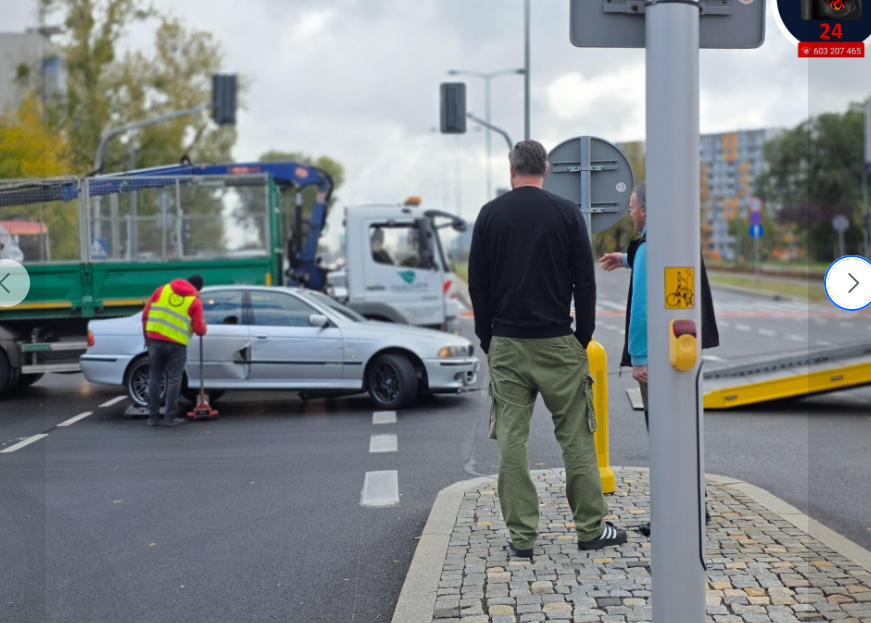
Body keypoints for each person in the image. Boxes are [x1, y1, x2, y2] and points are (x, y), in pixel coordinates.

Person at [469, 140, 627, 558]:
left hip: (507, 344)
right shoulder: (567, 213)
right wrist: (582, 337)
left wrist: (488, 339)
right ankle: (591, 529)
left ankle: (522, 537)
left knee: (511, 441)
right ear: (547, 169)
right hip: (558, 342)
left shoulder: (490, 215)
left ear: (512, 170)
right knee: (576, 438)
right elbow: (584, 283)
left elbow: (478, 285)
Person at [600, 181, 719, 535]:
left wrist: (639, 358)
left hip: (656, 358)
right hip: (683, 353)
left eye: (632, 207)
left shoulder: (650, 248)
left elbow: (641, 307)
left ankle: (670, 515)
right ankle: (696, 505)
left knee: (663, 438)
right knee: (683, 433)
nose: (631, 213)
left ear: (645, 210)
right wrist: (625, 259)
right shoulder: (678, 240)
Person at [141, 274, 207, 427]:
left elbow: (145, 315)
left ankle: (152, 417)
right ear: (198, 288)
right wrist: (204, 326)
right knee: (174, 380)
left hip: (156, 341)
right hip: (177, 345)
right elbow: (199, 329)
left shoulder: (162, 290)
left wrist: (147, 338)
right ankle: (170, 417)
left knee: (155, 379)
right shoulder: (194, 300)